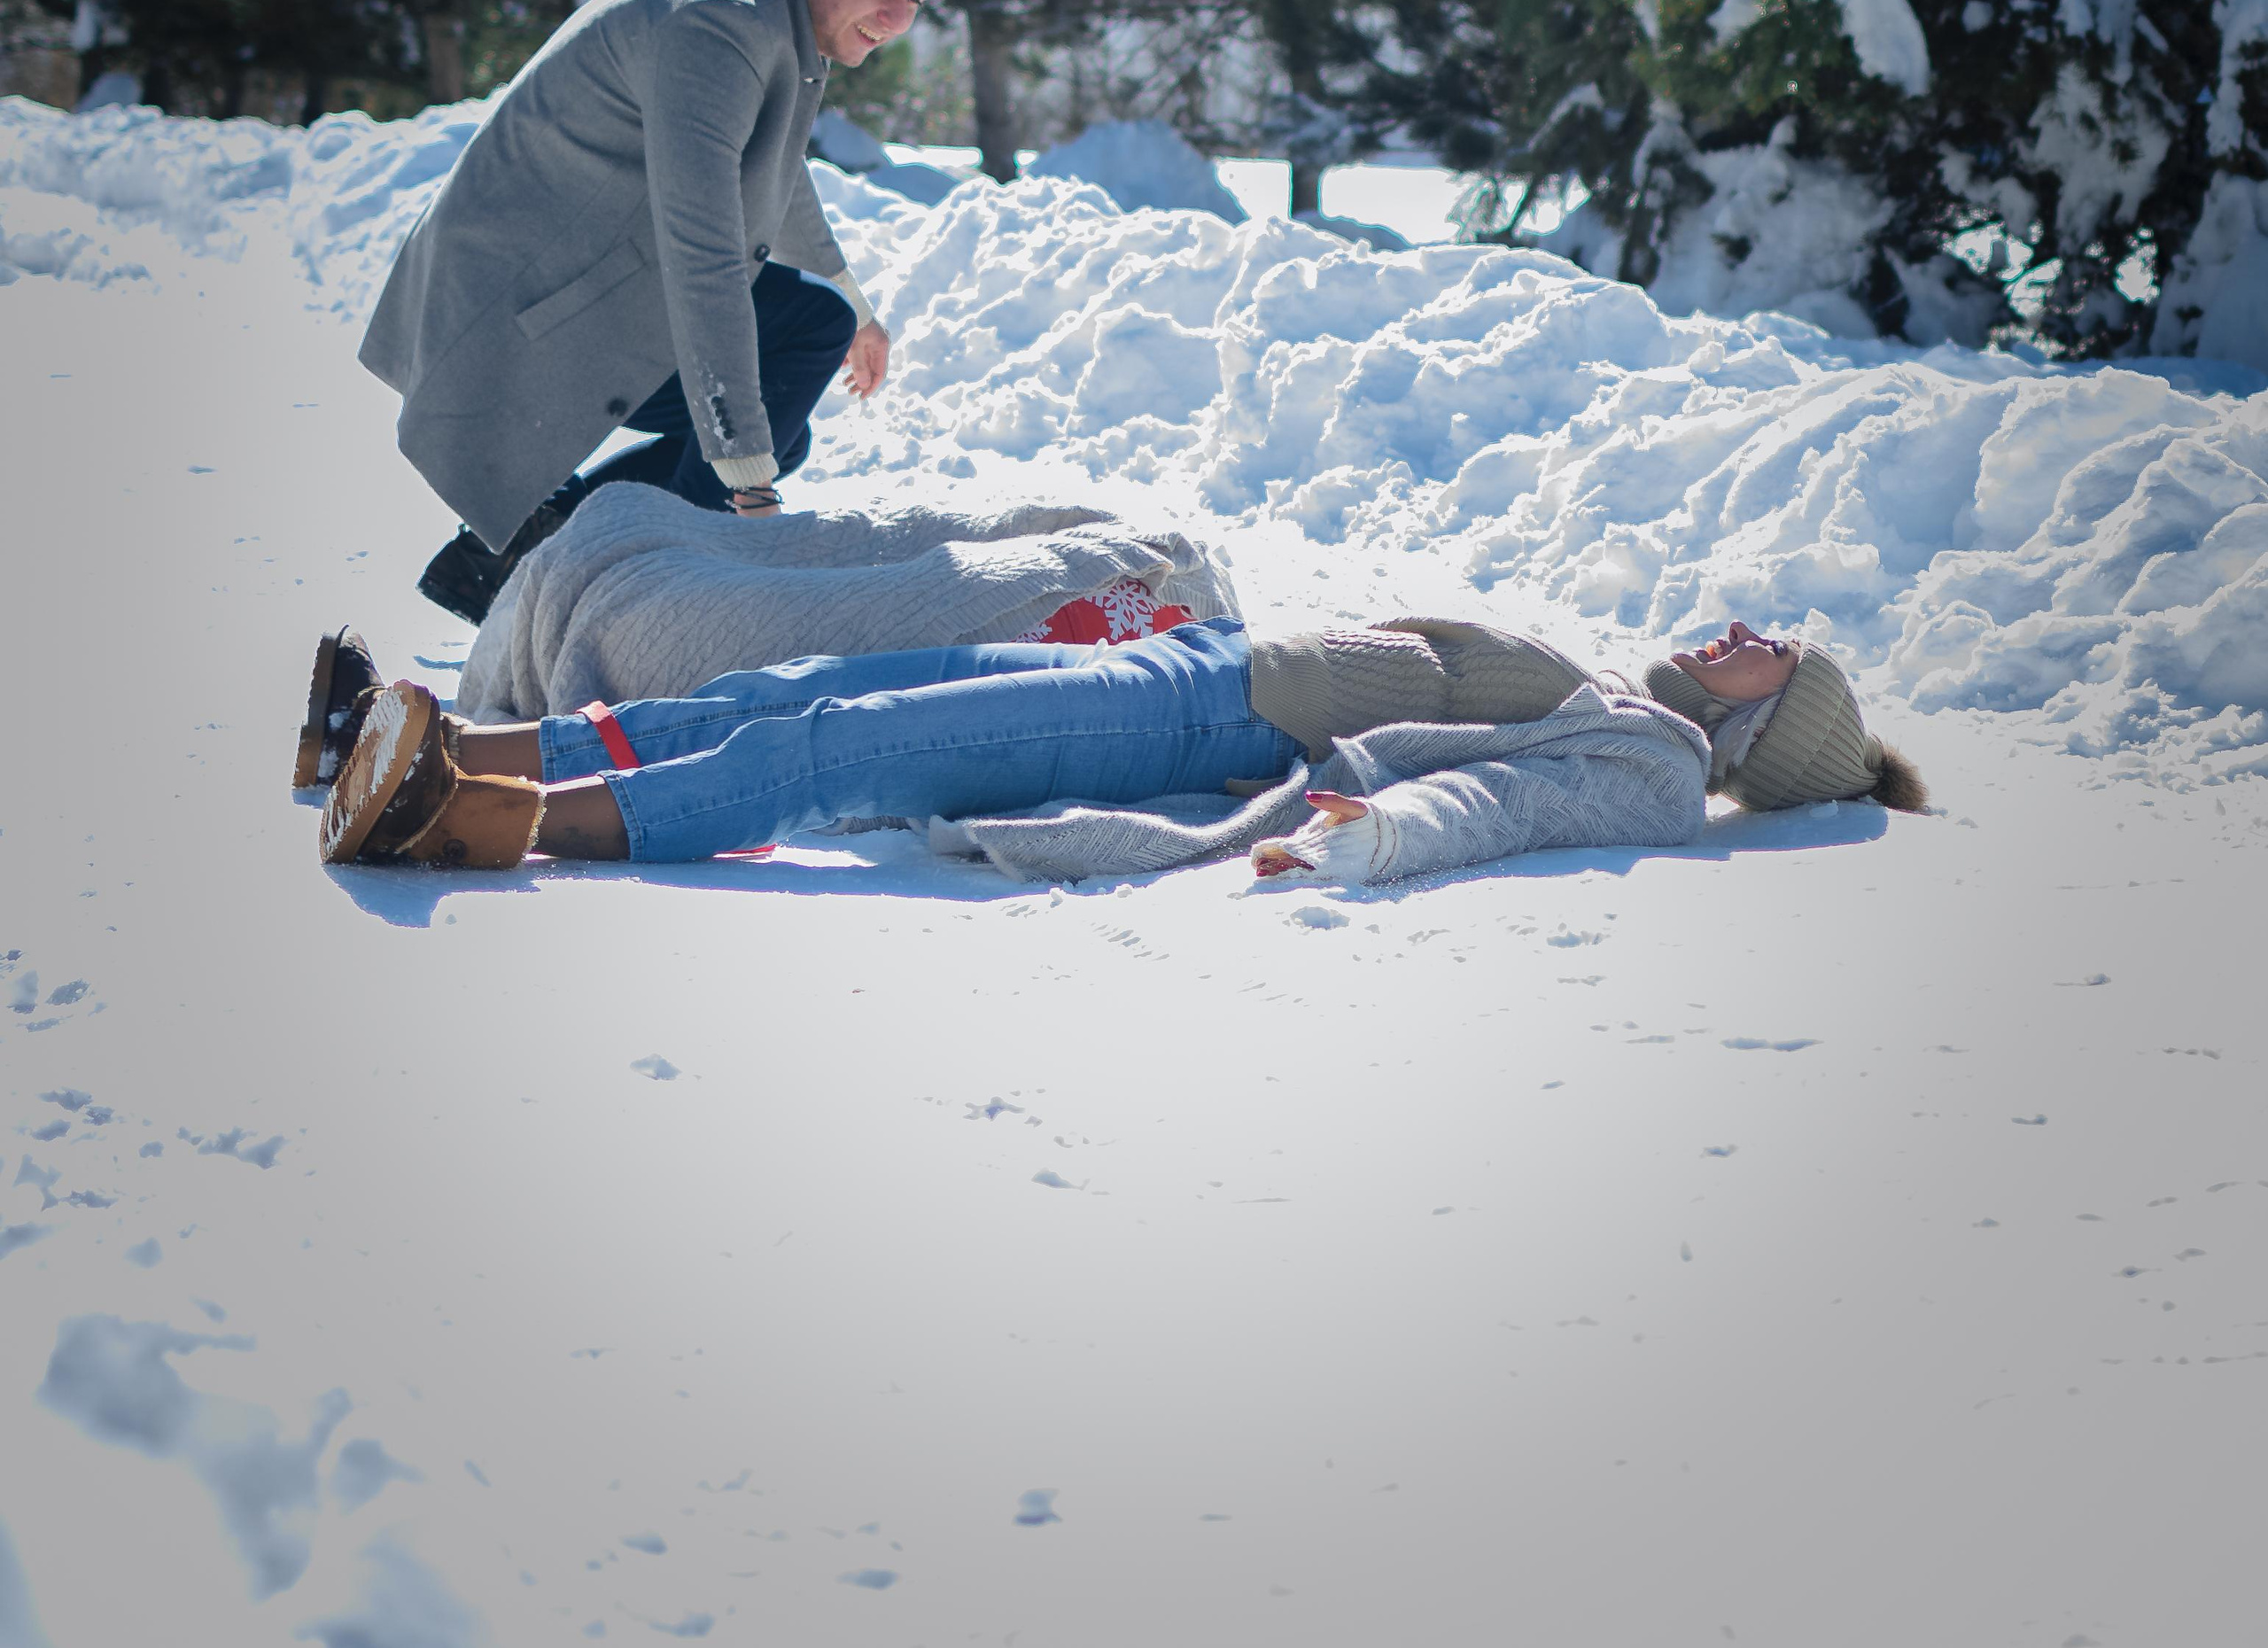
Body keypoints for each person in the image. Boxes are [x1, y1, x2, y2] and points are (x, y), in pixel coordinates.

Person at [359, 0, 954, 624]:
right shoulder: (720, 27)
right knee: (751, 439)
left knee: (785, 401)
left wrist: (853, 302)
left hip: (593, 271)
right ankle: (653, 594)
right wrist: (748, 491)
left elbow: (770, 163)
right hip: (526, 300)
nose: (898, 17)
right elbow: (702, 257)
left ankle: (540, 553)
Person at [300, 612, 1928, 881]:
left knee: (841, 744)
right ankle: (429, 738)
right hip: (1198, 666)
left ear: (1767, 720)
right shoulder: (1631, 695)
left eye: (1775, 648)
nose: (1746, 623)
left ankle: (475, 817)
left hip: (1207, 718)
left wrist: (1365, 829)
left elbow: (1500, 803)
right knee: (796, 684)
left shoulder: (1649, 761)